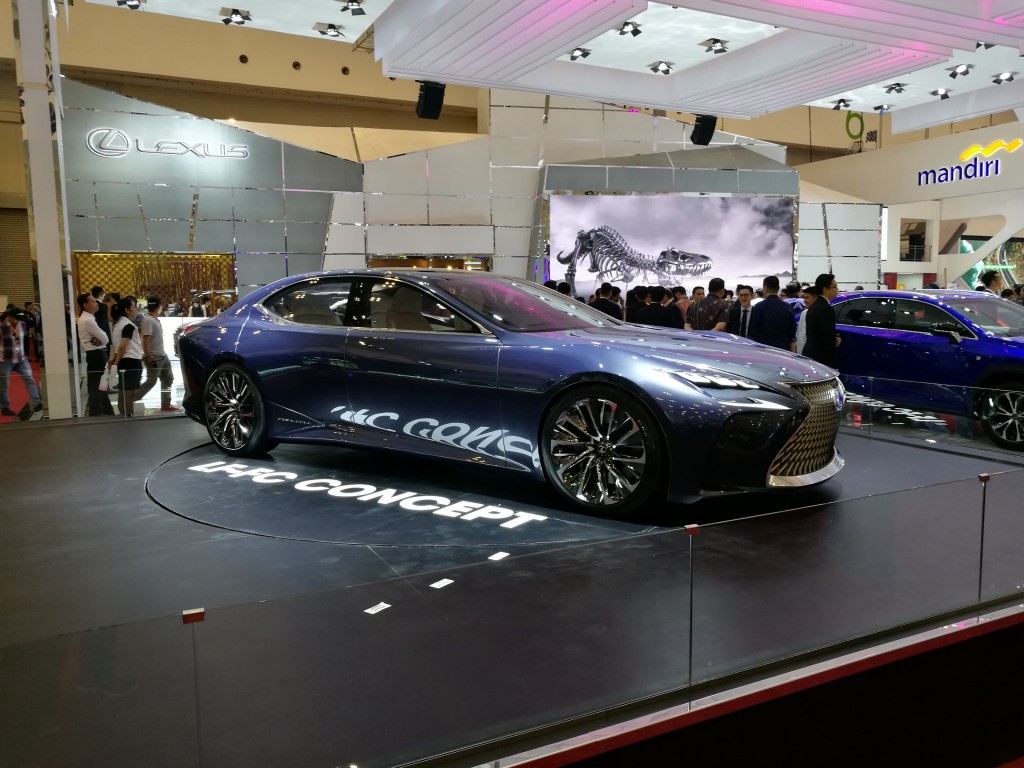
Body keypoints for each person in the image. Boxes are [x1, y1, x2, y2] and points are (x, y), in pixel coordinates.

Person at [135, 296, 179, 412]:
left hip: (162, 354)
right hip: (154, 356)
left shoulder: (153, 320)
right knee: (151, 381)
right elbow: (146, 338)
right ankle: (131, 398)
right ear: (158, 307)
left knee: (168, 378)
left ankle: (166, 404)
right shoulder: (148, 320)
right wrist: (148, 355)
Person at [0, 309, 44, 420]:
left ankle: (36, 402)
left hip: (21, 358)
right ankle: (5, 407)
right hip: (6, 360)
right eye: (16, 318)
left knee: (29, 378)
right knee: (4, 384)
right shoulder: (1, 327)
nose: (18, 321)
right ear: (9, 317)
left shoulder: (22, 324)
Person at [77, 292, 114, 416]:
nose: (96, 304)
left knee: (100, 384)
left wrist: (100, 339)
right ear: (85, 305)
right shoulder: (88, 320)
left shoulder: (88, 318)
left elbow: (102, 338)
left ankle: (107, 411)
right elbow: (106, 338)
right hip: (96, 355)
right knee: (98, 386)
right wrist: (101, 339)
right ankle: (95, 413)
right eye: (93, 301)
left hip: (95, 354)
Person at [108, 296, 144, 417]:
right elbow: (122, 347)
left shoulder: (118, 324)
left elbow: (115, 346)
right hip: (131, 361)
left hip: (125, 361)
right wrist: (116, 362)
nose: (136, 309)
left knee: (123, 392)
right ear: (127, 310)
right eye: (134, 307)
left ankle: (123, 417)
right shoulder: (128, 325)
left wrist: (114, 360)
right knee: (128, 394)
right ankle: (128, 418)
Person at [802, 273, 841, 367]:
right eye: (834, 286)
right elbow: (826, 338)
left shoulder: (815, 305)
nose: (837, 289)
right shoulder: (826, 308)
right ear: (825, 289)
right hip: (821, 358)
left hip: (811, 354)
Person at [748, 275, 796, 350]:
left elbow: (752, 334)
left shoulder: (759, 307)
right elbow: (792, 336)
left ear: (765, 288)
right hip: (784, 351)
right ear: (778, 288)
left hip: (764, 351)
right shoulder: (788, 307)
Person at [794, 285, 819, 355]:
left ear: (816, 299)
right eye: (804, 298)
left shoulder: (821, 314)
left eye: (807, 298)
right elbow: (799, 334)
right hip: (801, 354)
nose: (804, 301)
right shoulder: (804, 313)